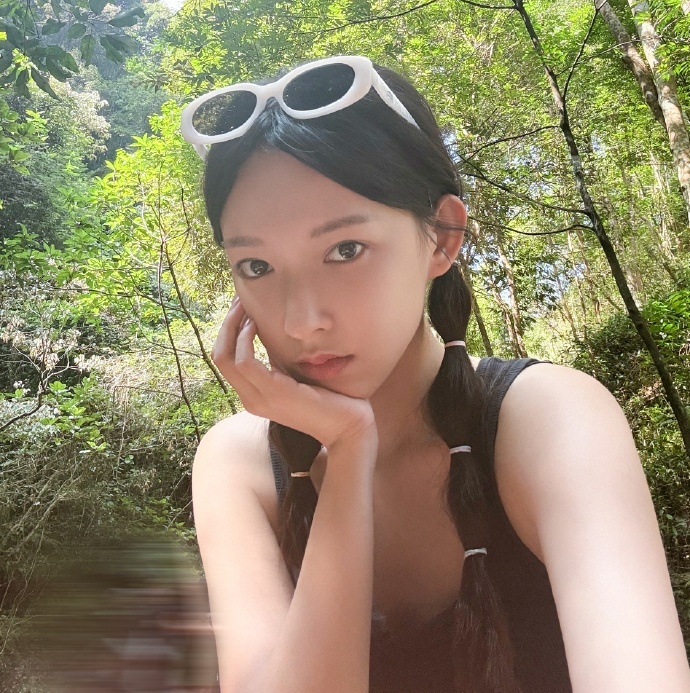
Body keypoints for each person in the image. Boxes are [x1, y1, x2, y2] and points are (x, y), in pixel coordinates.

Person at [183, 55, 690, 693]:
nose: (302, 321)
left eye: (345, 250)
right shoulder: (240, 464)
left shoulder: (547, 419)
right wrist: (348, 450)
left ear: (444, 236)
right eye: (256, 266)